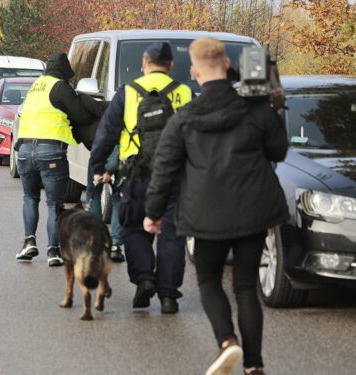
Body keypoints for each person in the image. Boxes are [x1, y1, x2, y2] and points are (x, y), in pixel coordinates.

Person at [144, 37, 288, 375]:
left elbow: (164, 168)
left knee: (209, 280)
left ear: (194, 72)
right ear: (227, 65)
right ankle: (254, 365)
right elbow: (278, 151)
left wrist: (153, 213)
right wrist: (275, 105)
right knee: (246, 286)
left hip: (205, 213)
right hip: (254, 210)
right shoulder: (256, 109)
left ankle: (227, 342)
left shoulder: (183, 118)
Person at [89, 42, 192, 313]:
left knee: (134, 227)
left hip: (137, 173)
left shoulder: (128, 92)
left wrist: (98, 165)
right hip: (174, 174)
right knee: (172, 234)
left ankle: (144, 278)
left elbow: (107, 132)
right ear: (170, 66)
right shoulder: (185, 92)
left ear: (144, 64)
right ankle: (168, 296)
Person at [14, 52, 101, 266]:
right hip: (50, 151)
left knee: (29, 198)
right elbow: (80, 115)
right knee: (54, 203)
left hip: (24, 150)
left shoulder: (35, 87)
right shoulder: (60, 87)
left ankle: (28, 242)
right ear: (63, 72)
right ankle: (53, 251)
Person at [84, 145, 125, 262]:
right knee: (118, 199)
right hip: (124, 155)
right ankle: (115, 245)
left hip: (100, 154)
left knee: (94, 194)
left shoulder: (103, 126)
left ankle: (97, 241)